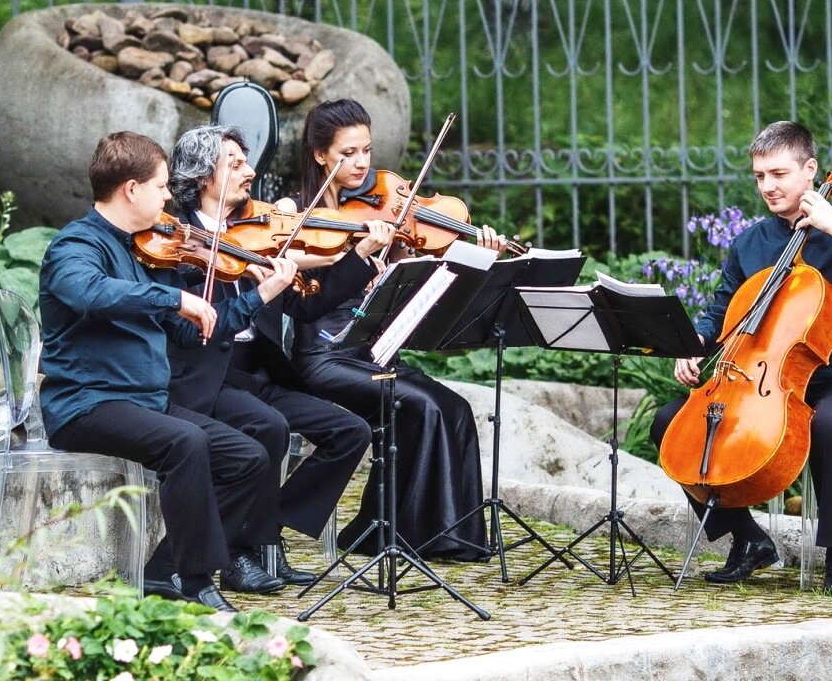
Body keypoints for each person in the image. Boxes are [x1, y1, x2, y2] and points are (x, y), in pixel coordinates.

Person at [39, 131, 300, 612]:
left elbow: (188, 335)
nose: (168, 198)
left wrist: (258, 296)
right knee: (187, 442)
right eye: (161, 187)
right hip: (86, 403)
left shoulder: (149, 251)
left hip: (144, 401)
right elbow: (91, 294)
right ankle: (195, 581)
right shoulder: (75, 246)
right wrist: (176, 297)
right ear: (131, 190)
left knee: (249, 457)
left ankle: (163, 570)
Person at [650, 120, 832, 596]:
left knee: (829, 424)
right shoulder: (751, 243)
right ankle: (748, 539)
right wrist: (696, 345)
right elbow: (720, 313)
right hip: (756, 379)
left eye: (778, 174)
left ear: (810, 170)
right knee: (670, 424)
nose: (767, 186)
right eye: (758, 176)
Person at [165, 124, 396, 584]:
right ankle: (234, 553)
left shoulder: (256, 232)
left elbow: (305, 303)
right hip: (209, 377)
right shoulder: (177, 242)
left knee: (349, 431)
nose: (250, 172)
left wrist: (361, 256)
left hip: (259, 372)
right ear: (201, 178)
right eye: (235, 164)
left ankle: (267, 531)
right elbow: (191, 325)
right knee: (268, 427)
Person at [276, 98, 501, 560]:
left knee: (454, 407)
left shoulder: (381, 214)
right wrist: (354, 258)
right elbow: (294, 285)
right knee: (421, 407)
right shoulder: (293, 211)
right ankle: (391, 533)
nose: (361, 163)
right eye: (347, 153)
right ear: (320, 155)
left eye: (366, 151)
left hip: (373, 353)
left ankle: (443, 534)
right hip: (323, 357)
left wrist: (467, 250)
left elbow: (408, 287)